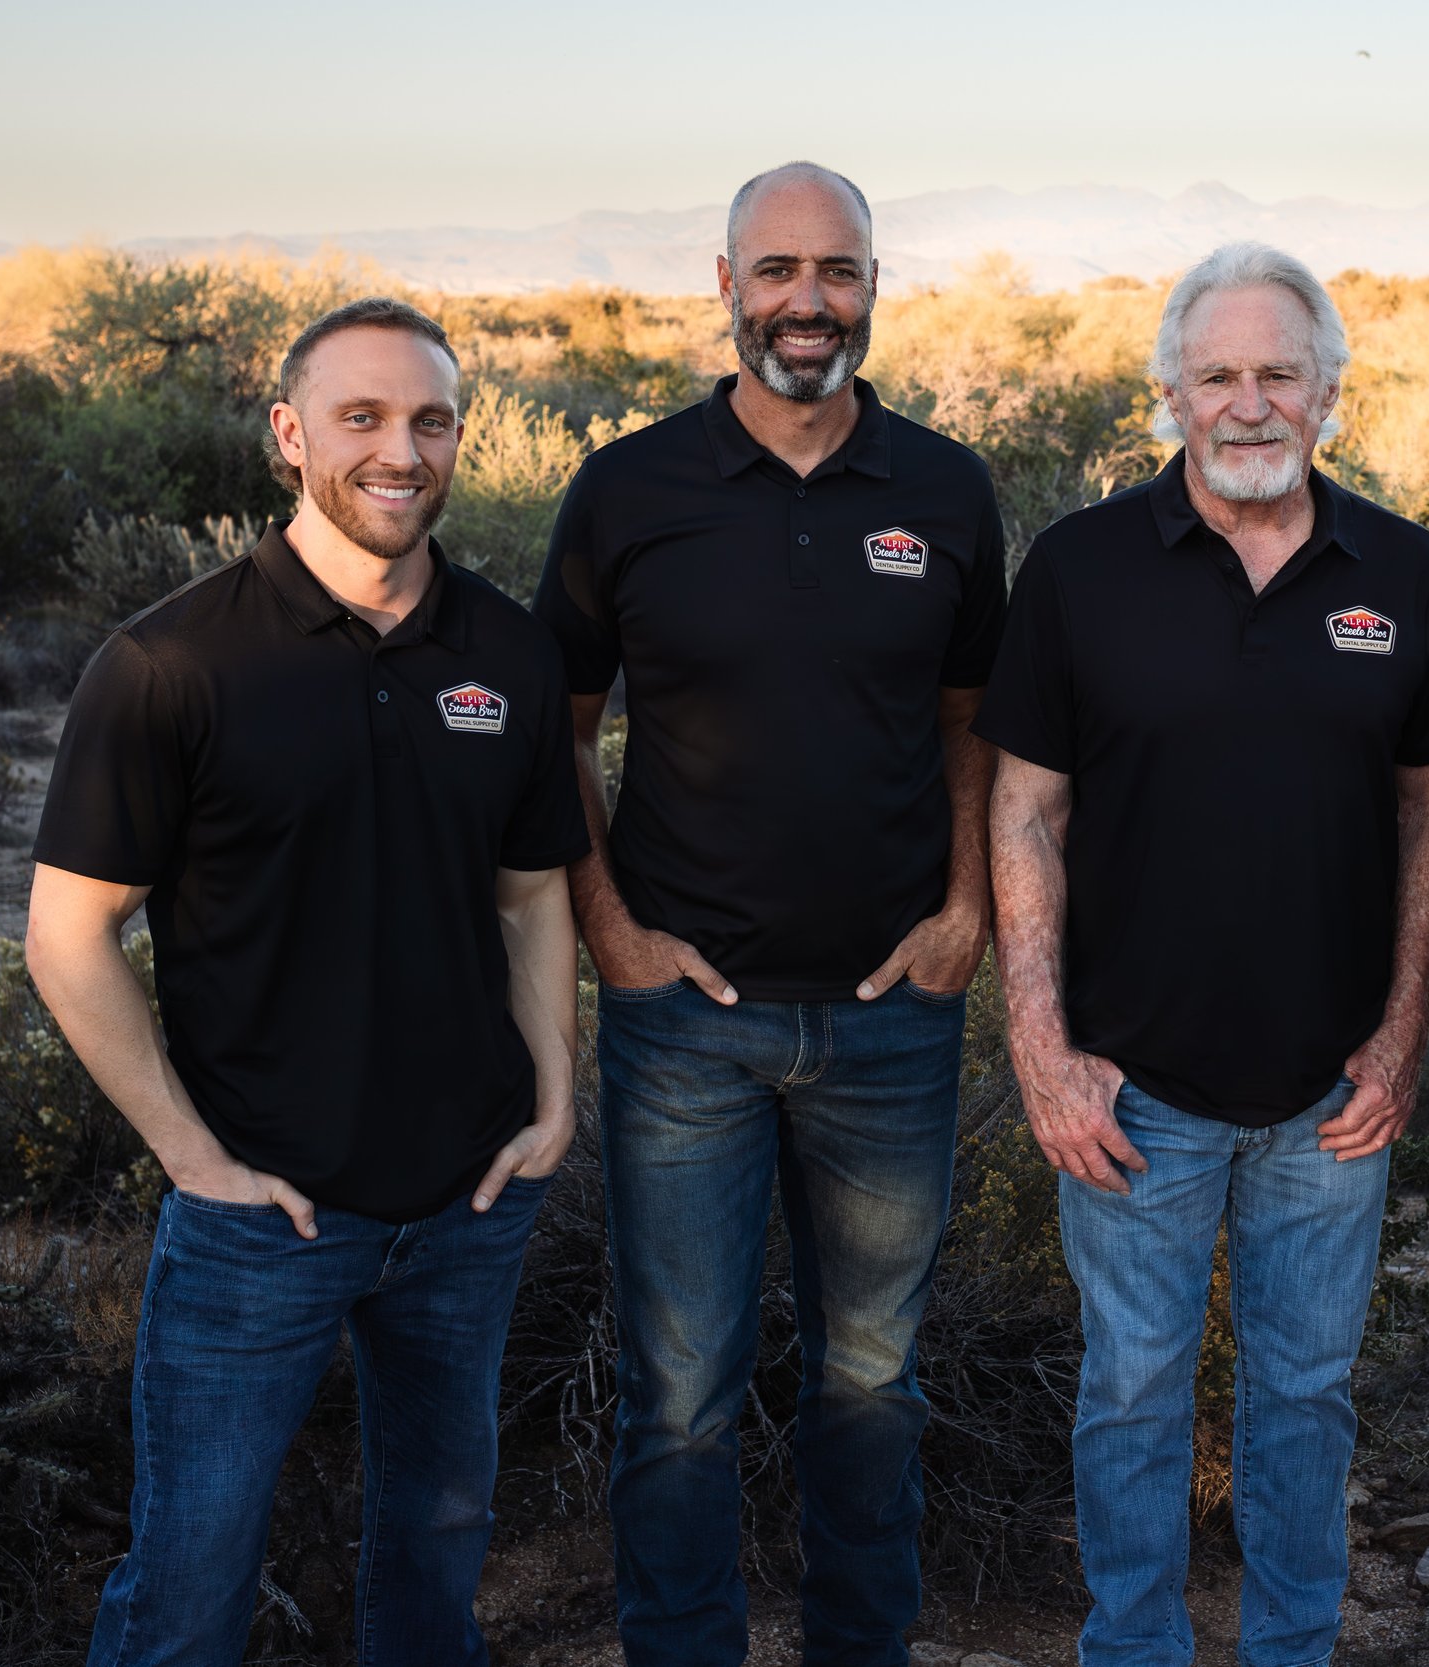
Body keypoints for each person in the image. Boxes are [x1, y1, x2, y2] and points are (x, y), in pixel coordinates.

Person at [28, 297, 590, 1667]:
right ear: (290, 433)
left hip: (466, 1204)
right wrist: (191, 1156)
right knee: (190, 1579)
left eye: (431, 420)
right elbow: (70, 935)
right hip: (257, 1213)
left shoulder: (508, 653)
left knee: (437, 1553)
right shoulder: (170, 663)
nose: (402, 450)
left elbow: (531, 894)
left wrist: (554, 1100)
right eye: (362, 417)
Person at [534, 161, 1007, 1666]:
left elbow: (973, 721)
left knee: (872, 1387)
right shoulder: (627, 490)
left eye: (839, 269)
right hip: (686, 1024)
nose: (811, 300)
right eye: (780, 269)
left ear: (874, 285)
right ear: (727, 286)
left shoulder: (946, 489)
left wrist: (965, 910)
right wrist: (611, 931)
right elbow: (558, 731)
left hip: (892, 1018)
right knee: (679, 1397)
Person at [978, 242, 1429, 1667]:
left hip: (1334, 1091)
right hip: (1131, 1085)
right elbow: (1023, 810)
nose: (1248, 404)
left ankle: (1290, 1649)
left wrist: (1402, 1028)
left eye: (1278, 374)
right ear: (1171, 394)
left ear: (1328, 391)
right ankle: (1132, 1646)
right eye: (1217, 376)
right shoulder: (1079, 569)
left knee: (1306, 1396)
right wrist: (1042, 1047)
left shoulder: (1404, 567)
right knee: (1132, 1392)